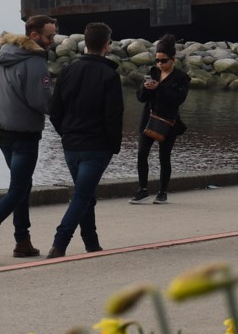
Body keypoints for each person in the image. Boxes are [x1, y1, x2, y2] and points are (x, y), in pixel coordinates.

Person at [0, 15, 57, 264]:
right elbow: (43, 101)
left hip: (2, 133)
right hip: (25, 134)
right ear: (34, 36)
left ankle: (22, 241)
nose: (53, 40)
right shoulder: (36, 62)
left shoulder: (0, 58)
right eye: (50, 36)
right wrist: (64, 106)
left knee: (22, 186)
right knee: (18, 188)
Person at [46, 21, 124, 258]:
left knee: (85, 194)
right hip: (96, 145)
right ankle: (59, 243)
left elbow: (55, 110)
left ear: (85, 44)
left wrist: (66, 133)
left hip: (71, 144)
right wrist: (114, 146)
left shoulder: (68, 70)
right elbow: (114, 116)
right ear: (106, 45)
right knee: (82, 195)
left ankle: (91, 242)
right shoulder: (109, 75)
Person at [130, 34, 190, 204]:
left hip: (168, 122)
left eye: (163, 61)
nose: (160, 64)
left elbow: (178, 99)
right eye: (157, 60)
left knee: (164, 157)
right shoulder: (153, 73)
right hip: (148, 119)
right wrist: (146, 87)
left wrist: (159, 88)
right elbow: (141, 98)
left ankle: (163, 192)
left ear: (173, 60)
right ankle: (142, 190)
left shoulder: (181, 78)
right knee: (142, 154)